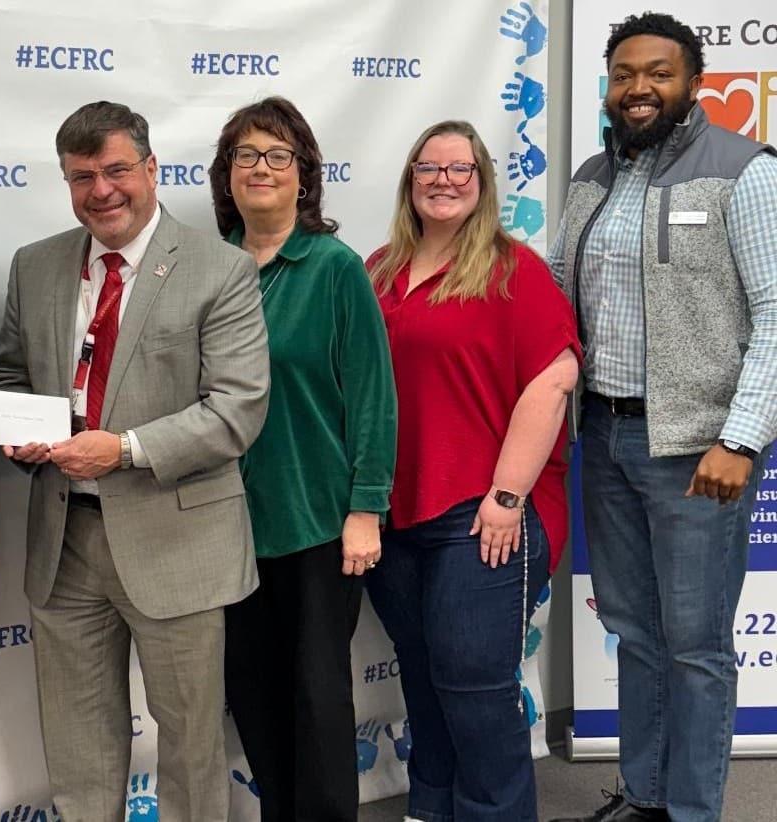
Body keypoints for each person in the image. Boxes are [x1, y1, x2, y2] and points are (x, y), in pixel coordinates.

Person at [0, 100, 270, 822]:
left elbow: (236, 409)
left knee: (190, 745)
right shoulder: (36, 266)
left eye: (116, 170)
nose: (101, 191)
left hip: (178, 542)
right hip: (64, 542)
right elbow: (10, 375)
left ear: (151, 169)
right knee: (79, 745)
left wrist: (124, 449)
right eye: (82, 177)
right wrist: (23, 431)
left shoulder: (221, 269)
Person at [547, 13, 777, 822]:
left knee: (696, 646)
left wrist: (740, 439)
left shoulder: (744, 171)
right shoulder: (591, 177)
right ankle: (645, 797)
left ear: (693, 83)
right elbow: (557, 290)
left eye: (657, 73)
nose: (637, 88)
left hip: (698, 451)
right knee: (635, 634)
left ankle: (692, 811)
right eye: (623, 75)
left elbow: (776, 317)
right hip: (605, 437)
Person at [364, 120, 580, 822]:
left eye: (460, 169)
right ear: (410, 180)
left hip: (484, 508)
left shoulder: (513, 269)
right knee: (423, 673)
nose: (444, 181)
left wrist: (507, 498)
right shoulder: (379, 270)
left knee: (473, 680)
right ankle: (431, 807)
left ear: (482, 182)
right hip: (396, 509)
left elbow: (554, 379)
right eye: (429, 168)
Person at [207, 96, 397, 822]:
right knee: (253, 694)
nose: (261, 168)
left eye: (278, 155)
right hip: (225, 525)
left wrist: (366, 508)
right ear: (226, 173)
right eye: (246, 155)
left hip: (317, 521)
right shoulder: (206, 269)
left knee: (317, 699)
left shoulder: (334, 268)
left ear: (304, 174)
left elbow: (373, 396)